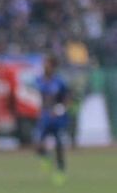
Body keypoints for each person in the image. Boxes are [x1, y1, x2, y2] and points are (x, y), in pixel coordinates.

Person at [35, 54, 69, 186]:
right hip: (44, 116)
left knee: (59, 145)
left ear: (53, 66)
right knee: (37, 143)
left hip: (57, 118)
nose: (44, 65)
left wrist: (60, 108)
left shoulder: (59, 82)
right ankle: (46, 157)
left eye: (47, 63)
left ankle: (60, 171)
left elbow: (67, 98)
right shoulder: (39, 80)